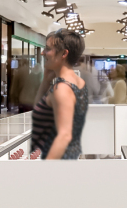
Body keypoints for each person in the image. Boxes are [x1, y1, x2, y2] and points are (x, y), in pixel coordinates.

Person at [31, 29, 87, 160]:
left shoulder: (62, 88)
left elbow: (64, 136)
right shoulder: (77, 82)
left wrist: (46, 167)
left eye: (48, 49)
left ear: (64, 53)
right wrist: (46, 80)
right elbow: (39, 109)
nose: (43, 52)